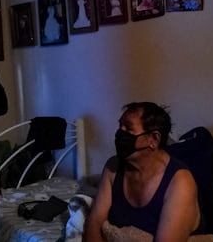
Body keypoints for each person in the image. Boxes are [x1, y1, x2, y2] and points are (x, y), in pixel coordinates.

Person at [83, 102, 203, 241]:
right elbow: (95, 221)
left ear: (153, 139)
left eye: (128, 128)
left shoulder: (180, 182)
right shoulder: (113, 166)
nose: (120, 133)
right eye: (120, 126)